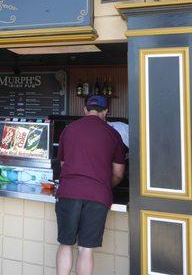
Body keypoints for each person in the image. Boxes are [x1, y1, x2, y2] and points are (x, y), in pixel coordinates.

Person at [55, 95, 126, 275]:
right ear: (105, 112)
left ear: (85, 110)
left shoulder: (68, 130)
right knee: (85, 250)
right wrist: (103, 183)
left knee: (65, 245)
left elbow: (63, 164)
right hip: (98, 196)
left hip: (69, 192)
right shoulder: (113, 134)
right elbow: (118, 172)